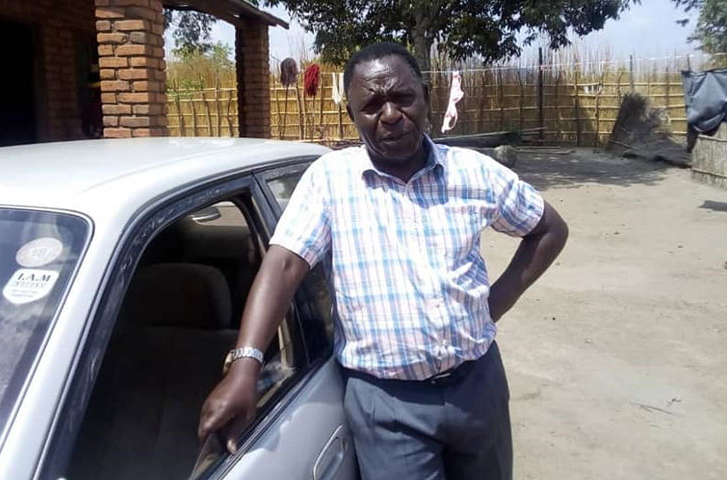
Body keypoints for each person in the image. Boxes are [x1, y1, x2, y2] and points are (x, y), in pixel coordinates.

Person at [198, 42, 569, 480]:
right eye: (372, 104)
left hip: (478, 387)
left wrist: (493, 305)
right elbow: (283, 266)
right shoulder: (330, 181)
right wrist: (245, 366)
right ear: (353, 115)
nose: (390, 114)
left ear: (425, 98)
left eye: (402, 97)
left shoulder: (475, 173)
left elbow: (549, 230)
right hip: (386, 406)